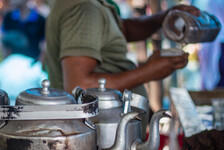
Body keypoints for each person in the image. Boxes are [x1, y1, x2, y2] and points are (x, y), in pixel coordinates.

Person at [45, 0, 200, 97]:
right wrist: (148, 71)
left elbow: (121, 29)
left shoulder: (94, 5)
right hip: (99, 138)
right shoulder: (84, 8)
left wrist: (163, 18)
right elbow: (80, 86)